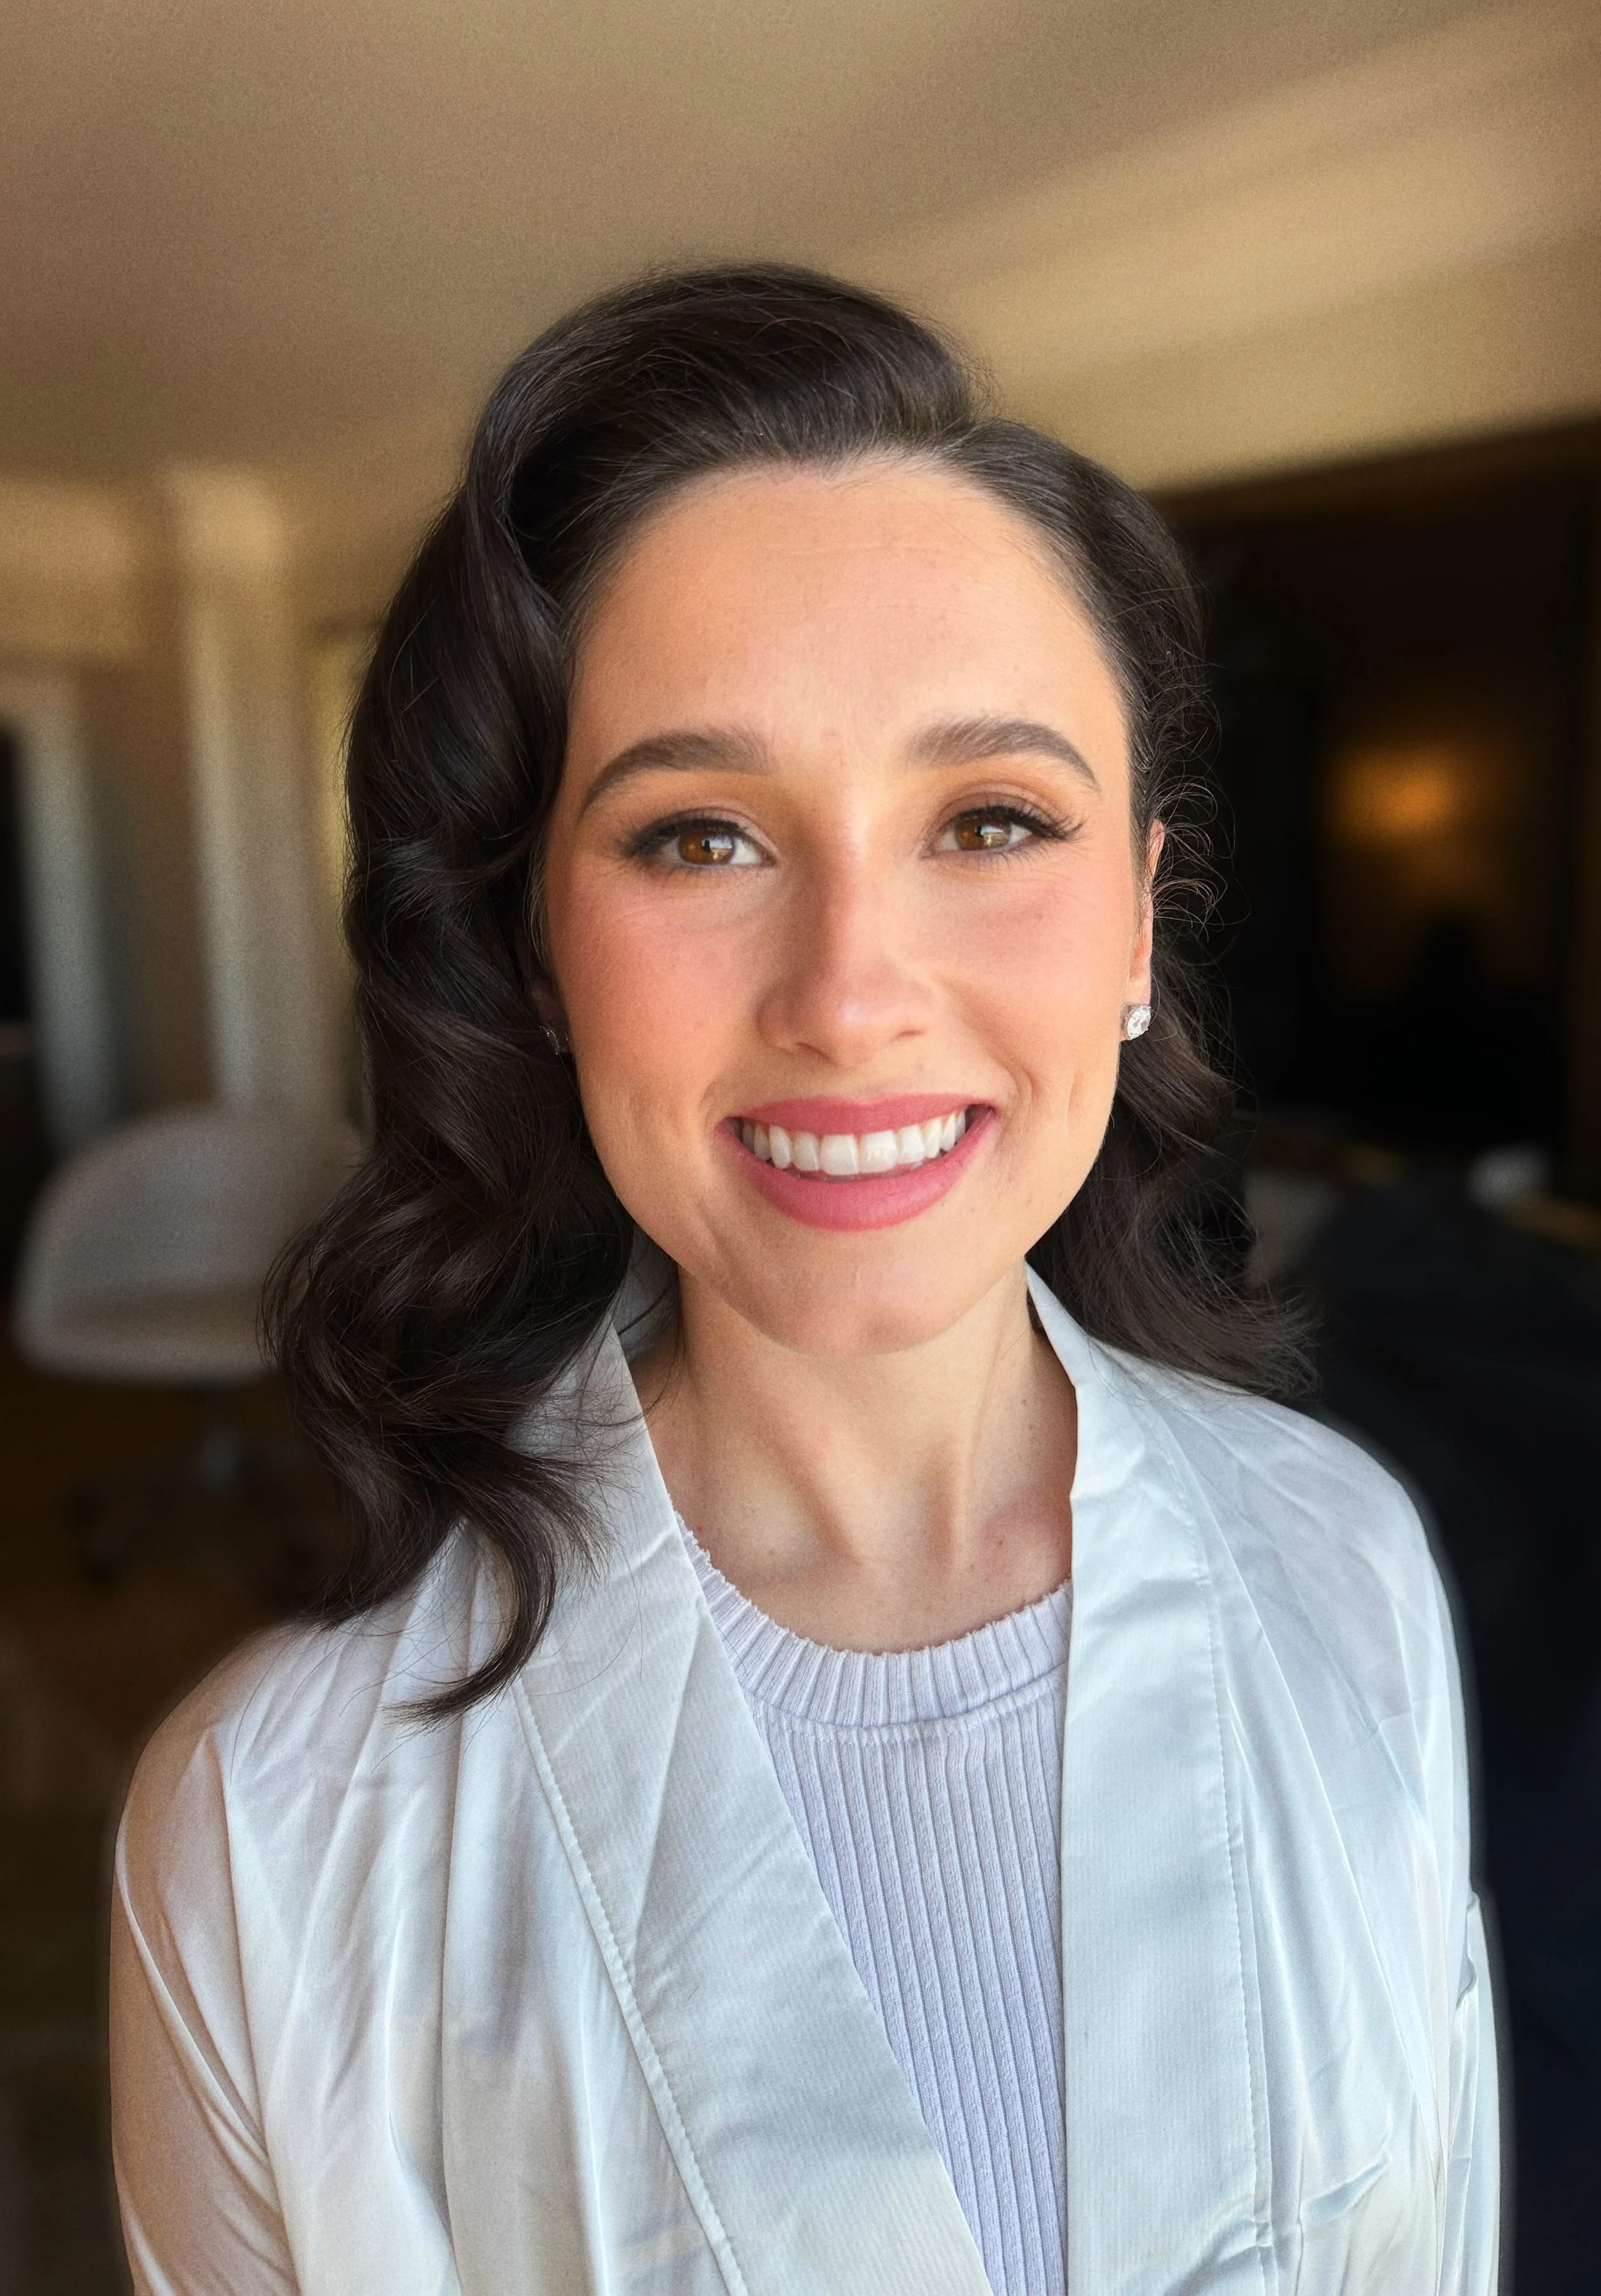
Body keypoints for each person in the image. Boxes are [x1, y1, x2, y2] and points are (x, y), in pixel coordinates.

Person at [108, 266, 1499, 2296]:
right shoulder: (271, 1825)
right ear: (531, 959)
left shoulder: (1344, 1558)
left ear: (1138, 920)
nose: (849, 996)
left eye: (991, 818)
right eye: (695, 839)